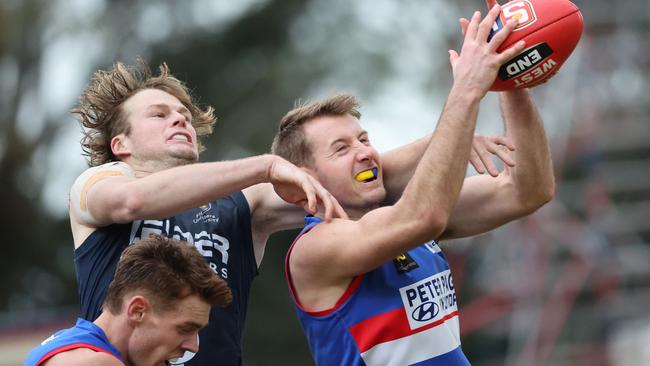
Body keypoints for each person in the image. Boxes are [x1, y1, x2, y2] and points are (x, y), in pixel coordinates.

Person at [68, 50, 518, 365]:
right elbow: (131, 202)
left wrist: (446, 141)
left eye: (183, 113)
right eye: (160, 114)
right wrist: (266, 165)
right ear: (120, 143)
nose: (180, 118)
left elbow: (347, 177)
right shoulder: (101, 182)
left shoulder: (241, 202)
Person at [273, 5, 555, 365]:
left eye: (363, 139)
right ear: (305, 180)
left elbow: (529, 190)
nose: (364, 153)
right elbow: (423, 217)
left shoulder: (401, 220)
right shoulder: (314, 248)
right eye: (341, 149)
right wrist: (467, 88)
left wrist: (509, 78)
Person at [25, 235, 232, 366]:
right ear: (137, 311)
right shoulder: (96, 363)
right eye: (185, 328)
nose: (194, 346)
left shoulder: (67, 346)